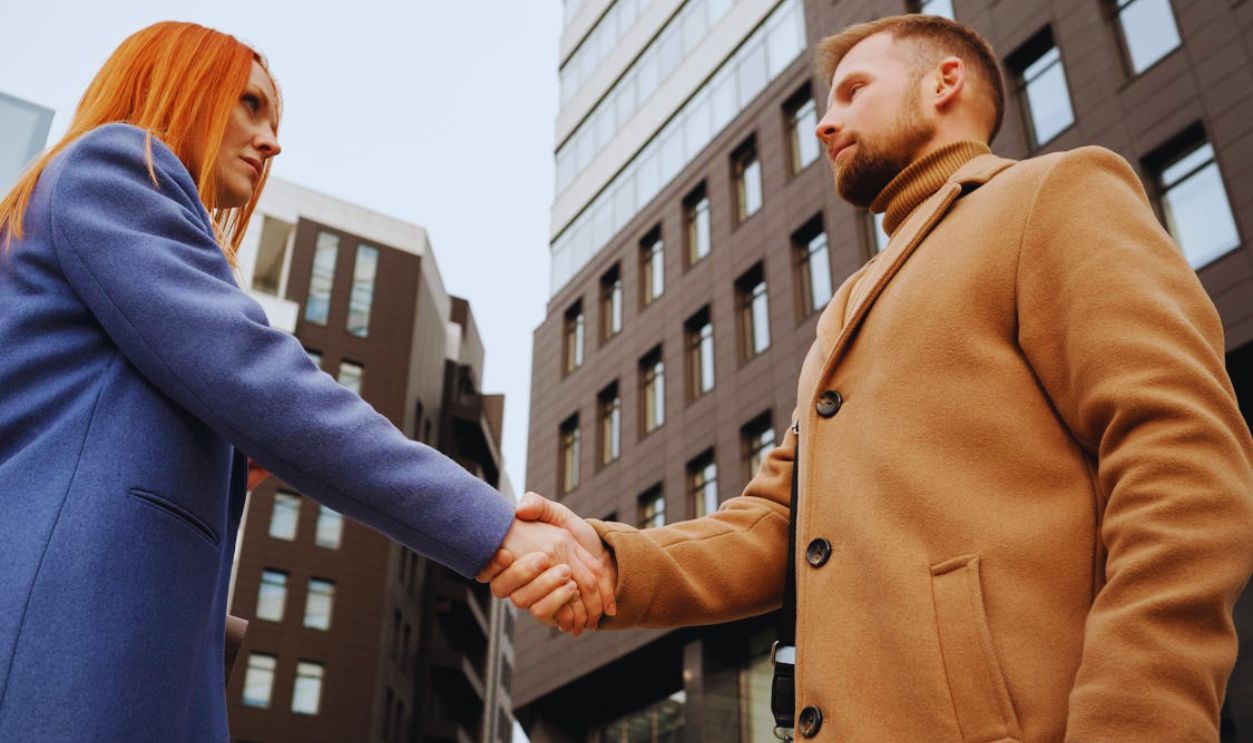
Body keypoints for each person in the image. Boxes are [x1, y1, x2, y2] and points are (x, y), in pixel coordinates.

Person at [482, 14, 1253, 741]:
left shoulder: (1051, 193)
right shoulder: (847, 305)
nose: (824, 122)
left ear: (943, 82)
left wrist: (1137, 722)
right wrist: (609, 558)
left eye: (854, 91)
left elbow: (1180, 455)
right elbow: (773, 524)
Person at [0, 21, 611, 741]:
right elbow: (258, 378)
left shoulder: (80, 207)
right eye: (249, 105)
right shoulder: (112, 169)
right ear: (180, 85)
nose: (271, 140)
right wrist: (497, 529)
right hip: (72, 643)